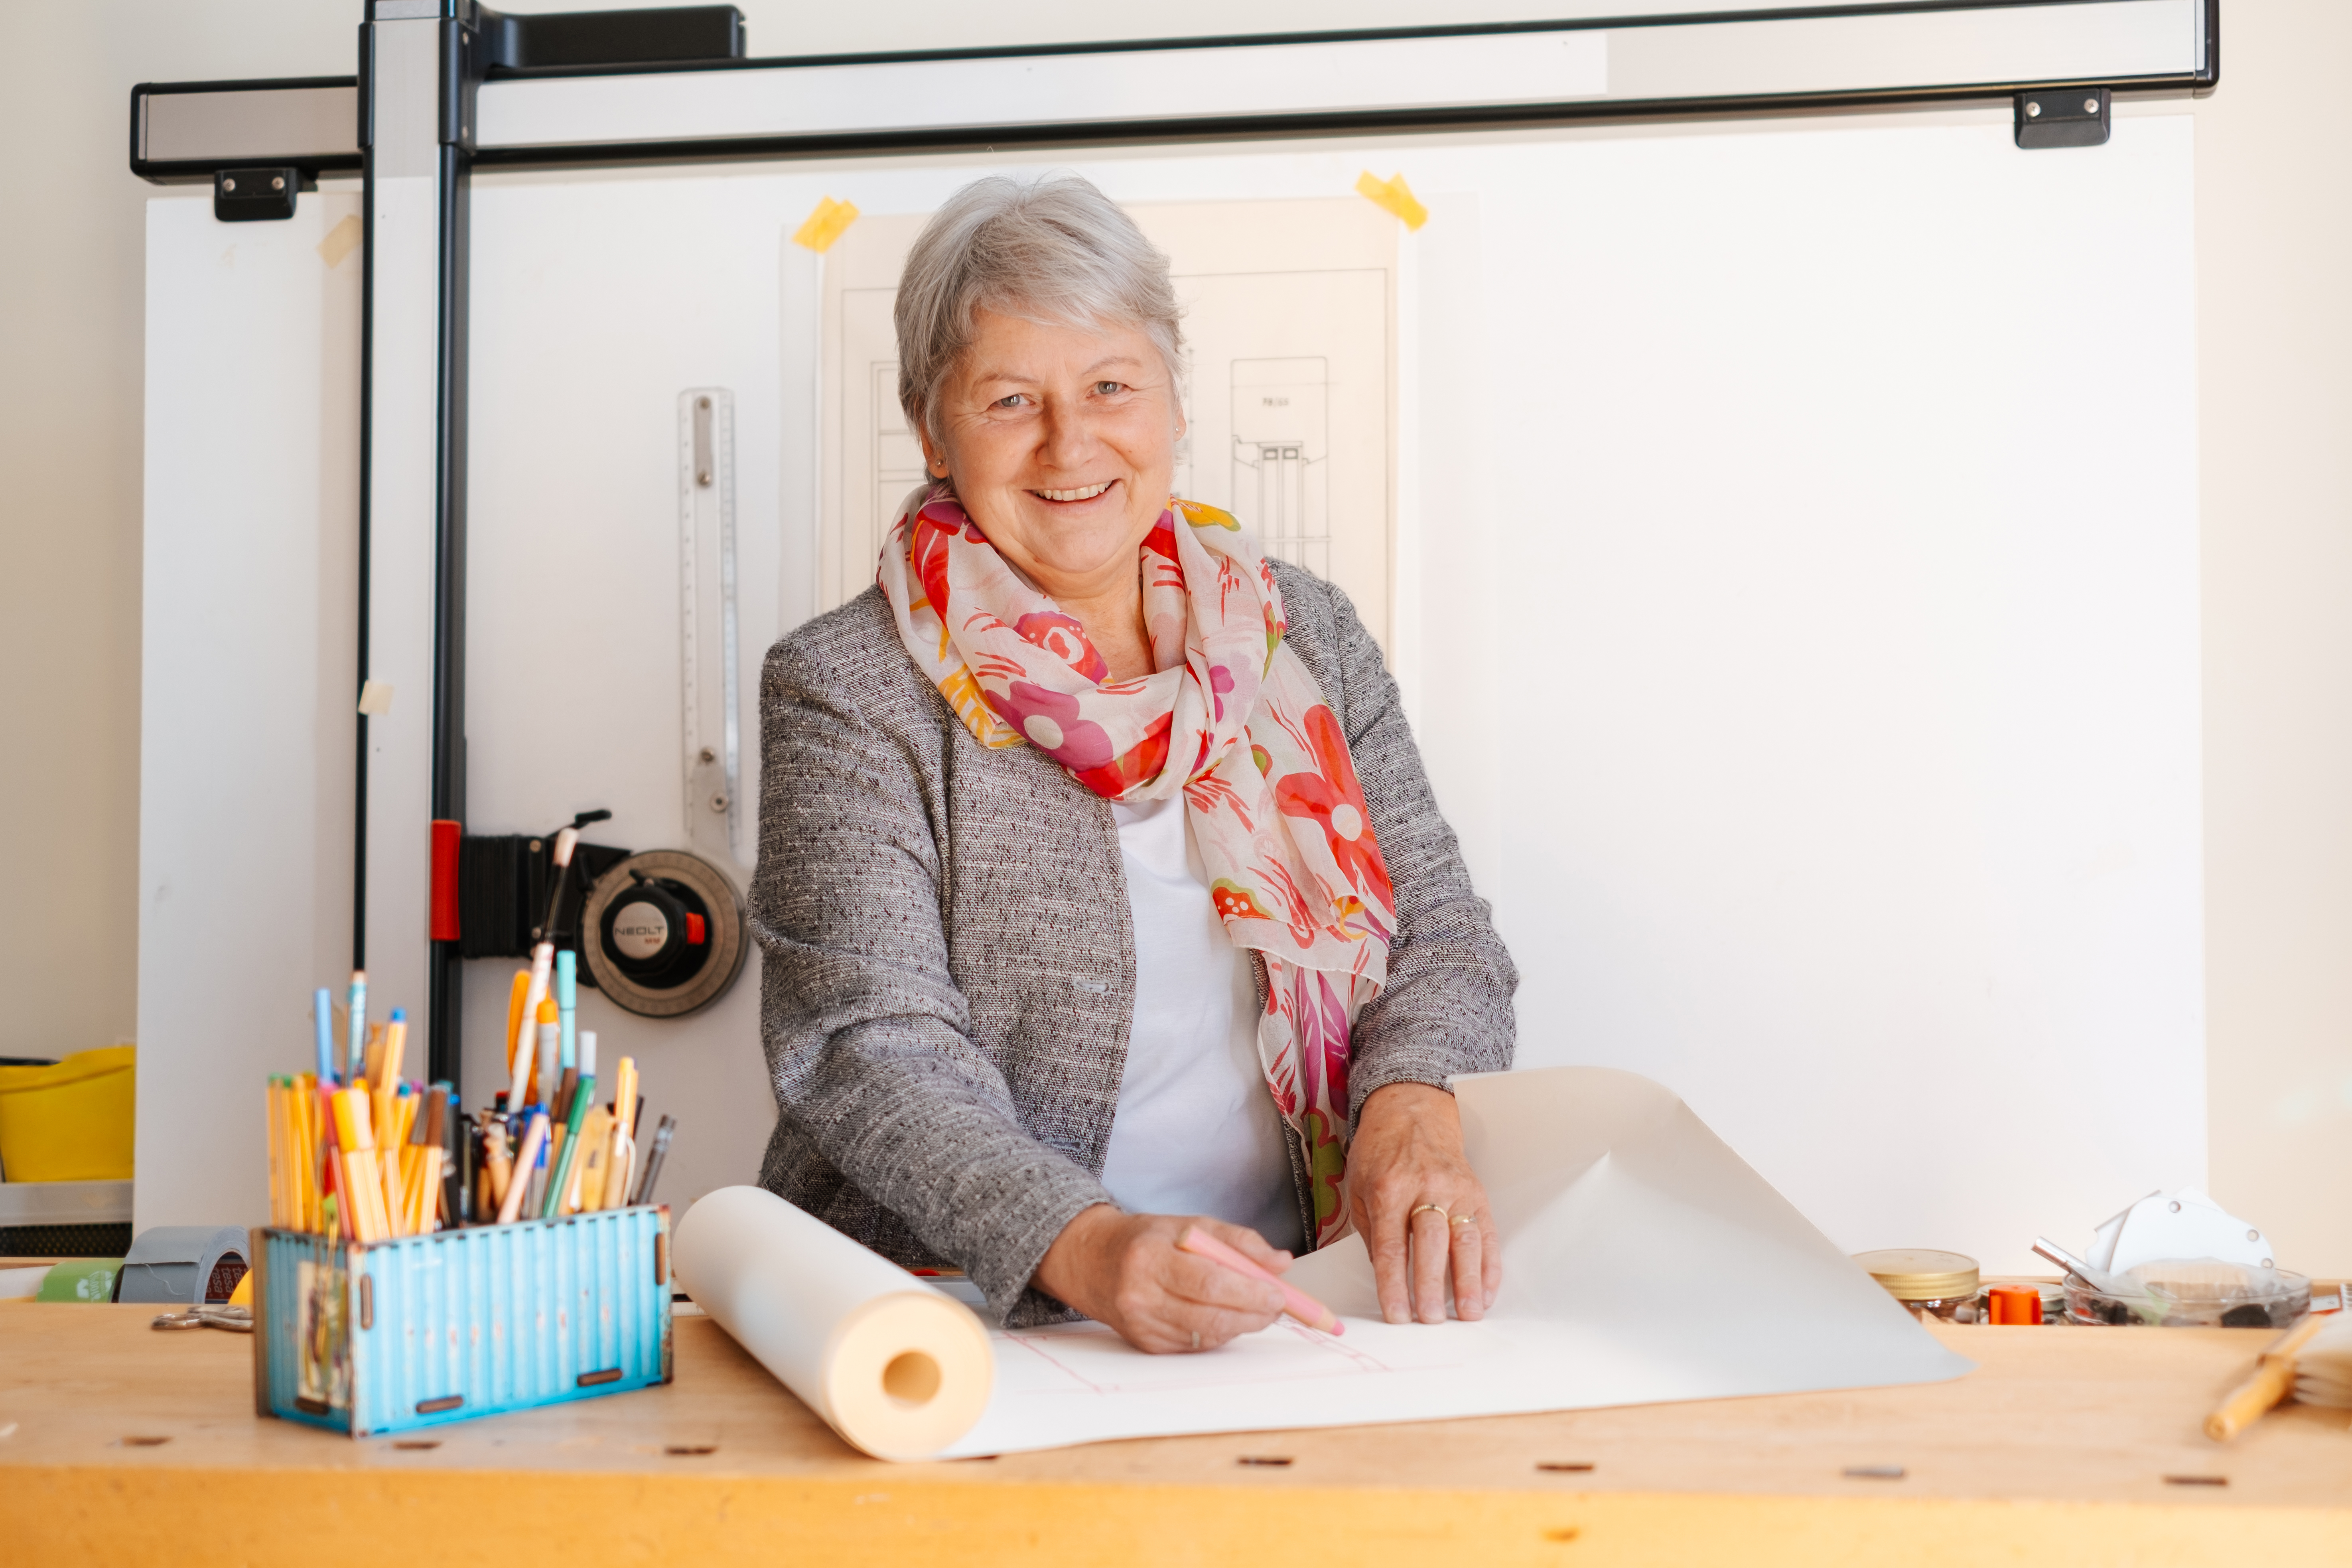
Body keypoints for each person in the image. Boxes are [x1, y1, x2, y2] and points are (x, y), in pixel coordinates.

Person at [753, 172, 1516, 1352]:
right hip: (958, 1318)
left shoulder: (1295, 632)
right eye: (1010, 399)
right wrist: (1089, 1242)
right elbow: (867, 1044)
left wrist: (1412, 1103)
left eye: (1111, 386)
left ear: (1169, 399)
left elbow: (1440, 932)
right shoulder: (846, 685)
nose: (1072, 443)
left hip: (1295, 1301)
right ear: (930, 428)